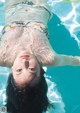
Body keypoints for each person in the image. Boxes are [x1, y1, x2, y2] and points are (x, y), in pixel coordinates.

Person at [0, 0, 80, 113]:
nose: (24, 62)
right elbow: (76, 61)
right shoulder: (49, 57)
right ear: (41, 71)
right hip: (39, 5)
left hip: (13, 5)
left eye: (19, 70)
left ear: (12, 71)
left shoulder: (2, 56)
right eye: (32, 69)